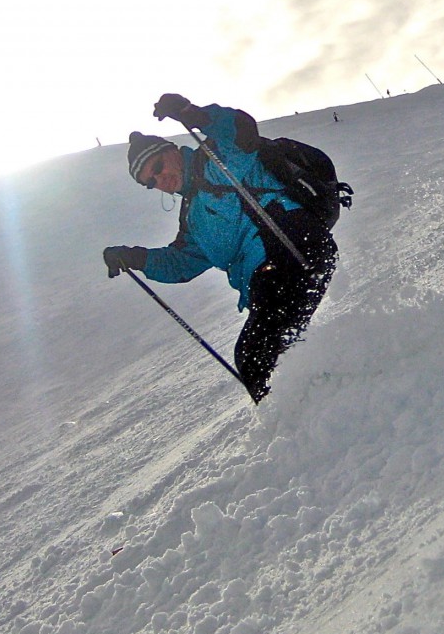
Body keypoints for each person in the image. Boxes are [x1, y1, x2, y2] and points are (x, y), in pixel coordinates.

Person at [103, 94, 337, 403]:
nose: (159, 179)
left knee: (255, 358)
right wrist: (134, 257)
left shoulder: (216, 159)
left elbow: (242, 131)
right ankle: (339, 389)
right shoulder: (193, 218)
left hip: (292, 247)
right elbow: (181, 262)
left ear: (172, 151)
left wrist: (193, 114)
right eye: (149, 182)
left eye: (157, 167)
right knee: (272, 355)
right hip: (267, 278)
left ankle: (317, 414)